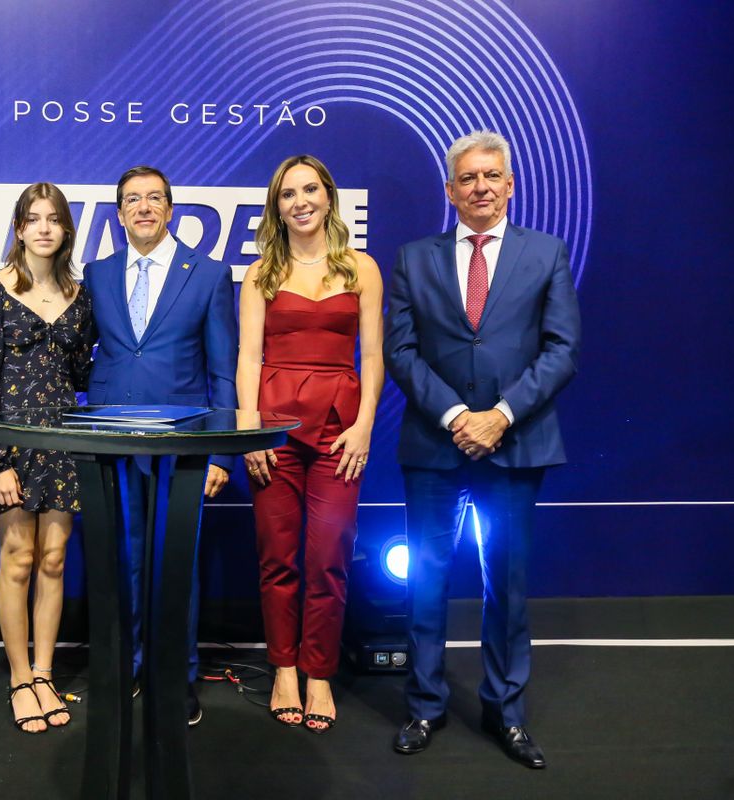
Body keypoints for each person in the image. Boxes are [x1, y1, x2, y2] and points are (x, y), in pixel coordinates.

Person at [385, 130, 581, 768]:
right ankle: (424, 705)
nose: (480, 188)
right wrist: (455, 417)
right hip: (434, 443)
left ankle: (507, 713)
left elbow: (562, 350)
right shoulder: (414, 258)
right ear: (450, 190)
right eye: (467, 178)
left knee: (509, 586)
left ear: (510, 184)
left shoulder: (546, 253)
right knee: (426, 582)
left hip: (515, 443)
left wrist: (498, 416)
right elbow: (401, 352)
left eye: (491, 176)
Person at [83, 165, 237, 726]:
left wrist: (220, 453)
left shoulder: (210, 274)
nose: (143, 208)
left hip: (182, 448)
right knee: (120, 562)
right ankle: (126, 666)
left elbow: (222, 371)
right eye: (132, 200)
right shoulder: (96, 274)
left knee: (176, 567)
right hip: (112, 444)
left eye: (154, 199)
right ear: (119, 213)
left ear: (170, 209)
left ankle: (176, 676)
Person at [237, 155, 384, 734]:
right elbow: (248, 358)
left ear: (328, 196)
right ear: (276, 207)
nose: (300, 201)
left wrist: (365, 424)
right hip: (273, 433)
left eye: (309, 190)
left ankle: (318, 671)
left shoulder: (362, 268)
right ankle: (283, 669)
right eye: (287, 194)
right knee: (277, 557)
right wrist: (249, 430)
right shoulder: (260, 274)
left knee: (329, 557)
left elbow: (372, 356)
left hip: (339, 431)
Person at [0, 183, 93, 734]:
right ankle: (19, 679)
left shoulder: (80, 296)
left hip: (64, 442)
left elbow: (82, 374)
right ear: (19, 228)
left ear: (66, 230)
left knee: (54, 560)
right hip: (11, 445)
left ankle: (45, 674)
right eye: (33, 218)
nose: (44, 228)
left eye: (54, 219)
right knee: (18, 559)